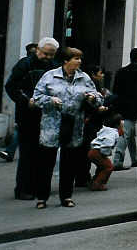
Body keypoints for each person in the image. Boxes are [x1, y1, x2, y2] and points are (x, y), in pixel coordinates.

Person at [33, 47, 102, 208]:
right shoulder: (50, 76)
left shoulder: (83, 78)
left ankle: (66, 196)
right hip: (52, 125)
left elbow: (99, 97)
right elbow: (36, 97)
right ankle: (42, 198)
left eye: (80, 58)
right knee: (46, 163)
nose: (79, 61)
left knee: (69, 163)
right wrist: (50, 100)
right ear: (66, 60)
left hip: (74, 125)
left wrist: (93, 98)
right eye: (76, 58)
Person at [3, 37, 59, 199]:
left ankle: (36, 187)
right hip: (27, 115)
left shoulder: (53, 67)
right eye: (46, 54)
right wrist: (25, 101)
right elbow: (11, 86)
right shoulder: (25, 64)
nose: (48, 57)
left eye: (51, 55)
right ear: (38, 50)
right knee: (28, 153)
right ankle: (23, 189)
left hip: (47, 115)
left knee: (43, 154)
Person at [0, 43, 40, 163]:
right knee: (22, 129)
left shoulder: (24, 63)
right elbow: (12, 86)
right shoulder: (26, 64)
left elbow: (12, 86)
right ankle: (11, 152)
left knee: (21, 129)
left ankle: (10, 152)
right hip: (27, 102)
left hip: (27, 102)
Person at [77, 65, 113, 187]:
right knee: (87, 151)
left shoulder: (98, 86)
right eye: (100, 73)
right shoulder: (90, 87)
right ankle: (83, 177)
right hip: (90, 123)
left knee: (87, 151)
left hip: (93, 122)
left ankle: (84, 176)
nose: (102, 75)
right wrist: (99, 109)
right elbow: (88, 106)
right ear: (93, 74)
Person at [113, 48, 137, 171]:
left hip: (122, 105)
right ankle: (117, 160)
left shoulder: (121, 71)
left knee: (131, 133)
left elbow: (115, 90)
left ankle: (135, 158)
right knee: (126, 134)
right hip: (135, 106)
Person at [88, 113, 122, 191]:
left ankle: (94, 180)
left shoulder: (105, 129)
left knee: (101, 166)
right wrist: (105, 153)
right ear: (117, 125)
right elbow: (108, 142)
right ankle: (98, 183)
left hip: (92, 151)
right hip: (98, 152)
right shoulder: (114, 133)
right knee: (108, 167)